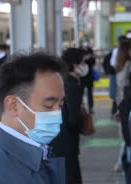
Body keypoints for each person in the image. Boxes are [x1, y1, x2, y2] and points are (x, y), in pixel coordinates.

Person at [0, 53, 66, 183]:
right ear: (14, 106)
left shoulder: (39, 150)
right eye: (49, 105)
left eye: (61, 104)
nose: (58, 114)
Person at [52, 48, 88, 184]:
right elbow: (73, 118)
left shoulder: (63, 81)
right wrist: (83, 124)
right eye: (83, 62)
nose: (86, 66)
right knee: (71, 176)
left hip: (60, 139)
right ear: (74, 65)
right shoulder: (72, 85)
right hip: (67, 140)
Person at [116, 38, 131, 105]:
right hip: (126, 97)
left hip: (120, 98)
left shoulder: (120, 64)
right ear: (128, 51)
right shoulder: (129, 64)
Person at [82, 46, 96, 114]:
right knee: (81, 92)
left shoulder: (91, 59)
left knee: (89, 93)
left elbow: (93, 63)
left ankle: (90, 107)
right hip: (82, 77)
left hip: (89, 77)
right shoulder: (82, 58)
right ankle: (83, 107)